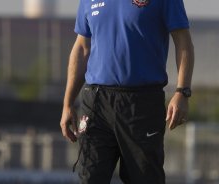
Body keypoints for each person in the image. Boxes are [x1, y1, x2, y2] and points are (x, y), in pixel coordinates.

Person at [60, 0, 194, 183]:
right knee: (90, 177)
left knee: (145, 178)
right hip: (96, 102)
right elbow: (82, 47)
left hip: (142, 103)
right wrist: (68, 103)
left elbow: (183, 41)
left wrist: (182, 91)